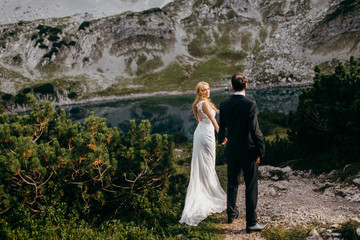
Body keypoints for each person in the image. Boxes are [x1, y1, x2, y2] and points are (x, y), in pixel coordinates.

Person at [218, 73, 267, 233]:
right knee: (250, 186)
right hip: (248, 151)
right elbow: (255, 131)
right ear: (245, 86)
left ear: (232, 87)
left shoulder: (224, 104)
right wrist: (261, 150)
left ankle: (231, 214)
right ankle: (251, 222)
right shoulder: (250, 104)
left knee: (232, 183)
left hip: (232, 150)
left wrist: (221, 140)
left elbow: (222, 127)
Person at [179, 81, 226, 226]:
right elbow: (212, 120)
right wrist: (222, 135)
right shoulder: (203, 103)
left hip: (201, 133)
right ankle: (209, 193)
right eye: (204, 90)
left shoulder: (198, 103)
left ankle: (207, 190)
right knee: (208, 163)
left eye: (208, 89)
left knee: (206, 163)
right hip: (206, 134)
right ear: (199, 91)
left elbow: (199, 121)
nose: (207, 92)